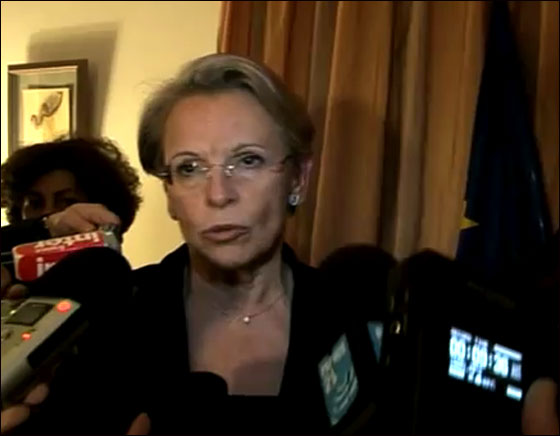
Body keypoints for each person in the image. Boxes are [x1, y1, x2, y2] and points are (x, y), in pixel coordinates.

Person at [2, 54, 352, 434]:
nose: (218, 195)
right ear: (169, 192)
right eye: (189, 168)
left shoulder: (353, 319)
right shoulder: (103, 324)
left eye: (248, 160)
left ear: (298, 178)